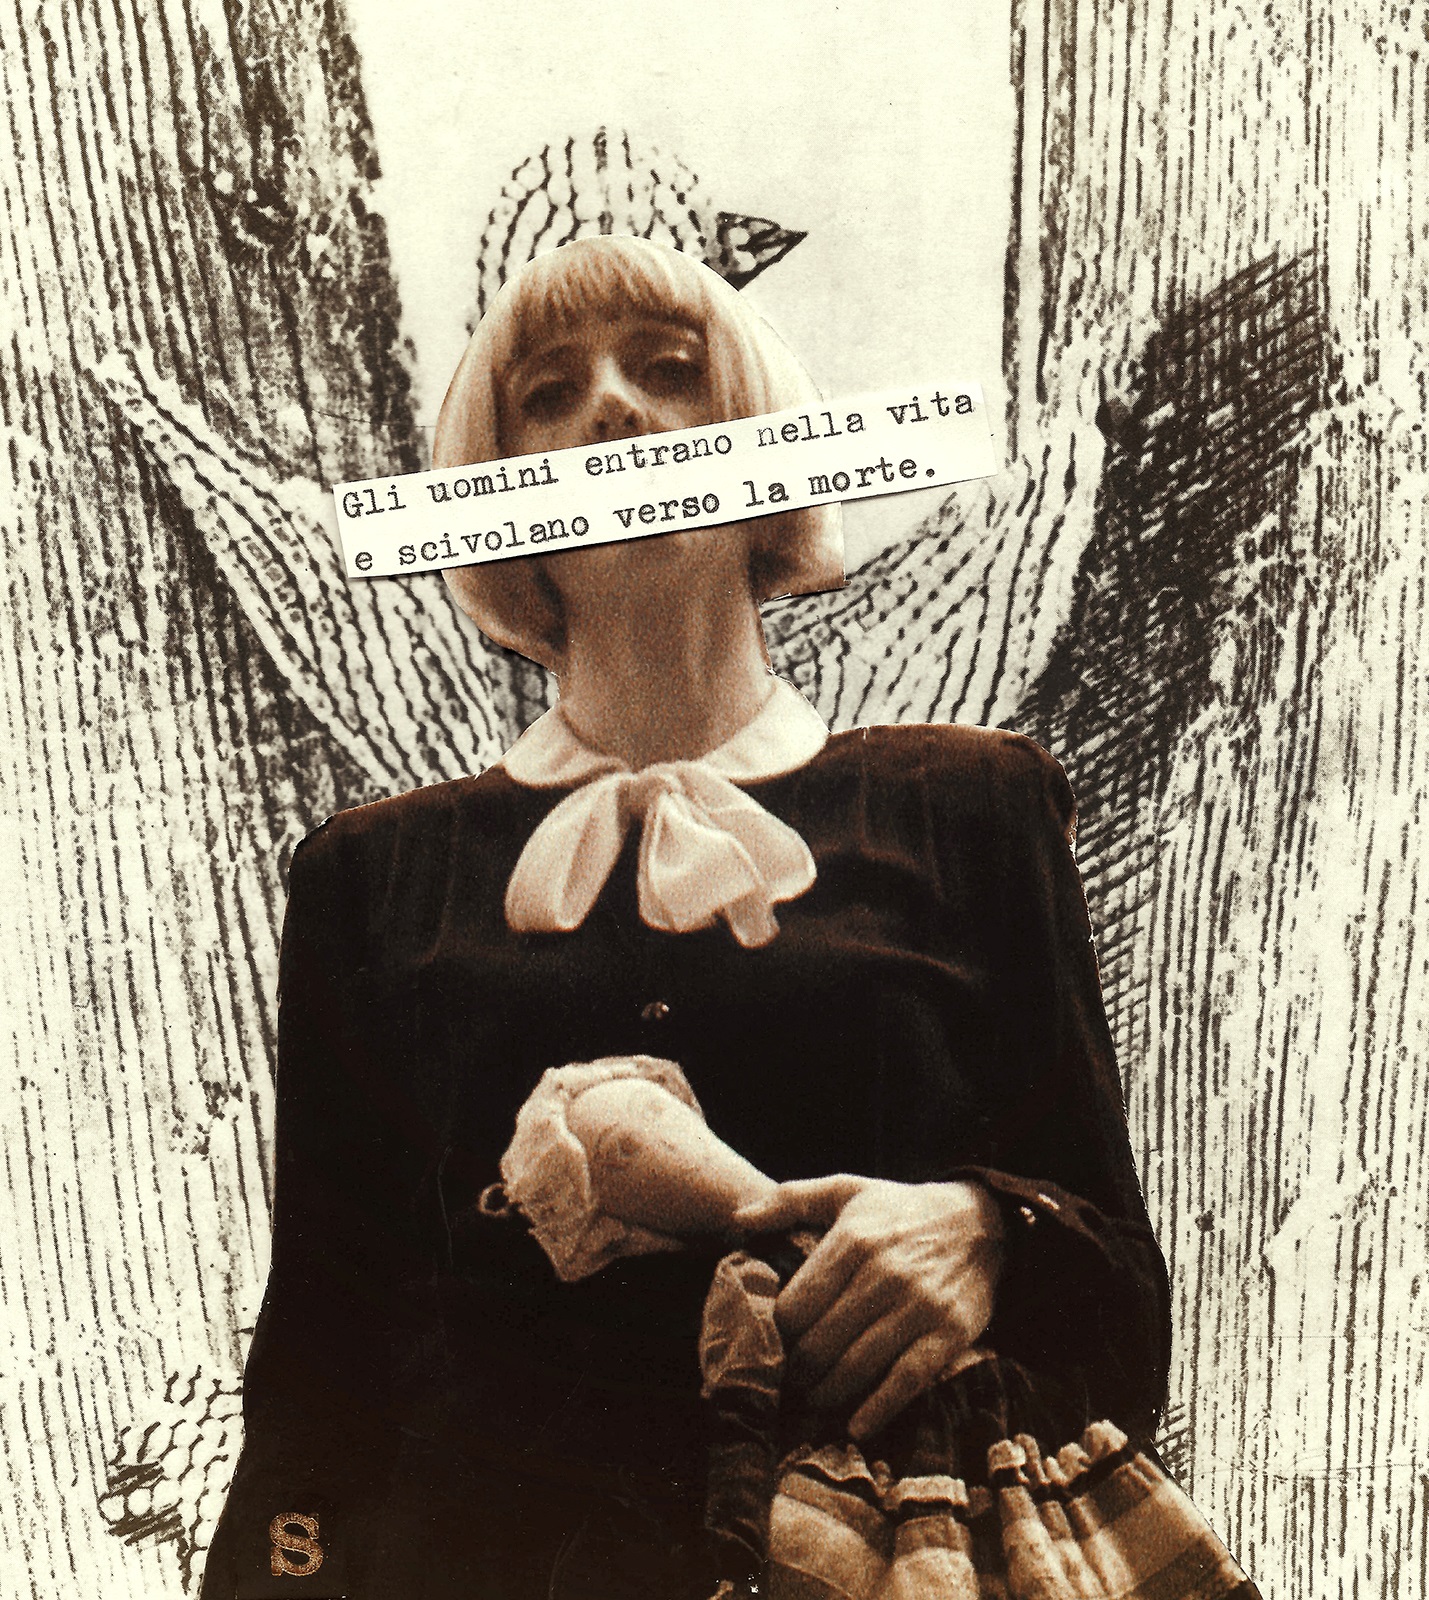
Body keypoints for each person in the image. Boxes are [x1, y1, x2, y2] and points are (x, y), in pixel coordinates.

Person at [202, 238, 1253, 1600]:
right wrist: (279, 1581)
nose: (612, 409)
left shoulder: (970, 806)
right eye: (548, 392)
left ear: (761, 437)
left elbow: (1120, 1308)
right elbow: (318, 1368)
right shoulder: (369, 875)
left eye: (669, 370)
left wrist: (988, 1229)